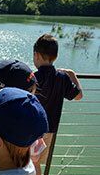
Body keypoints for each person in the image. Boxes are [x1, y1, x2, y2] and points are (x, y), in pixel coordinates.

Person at [33, 34, 83, 164]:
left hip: (31, 127)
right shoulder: (62, 78)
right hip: (49, 130)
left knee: (25, 161)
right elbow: (78, 96)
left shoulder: (33, 77)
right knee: (37, 164)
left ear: (36, 55)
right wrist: (72, 75)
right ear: (55, 57)